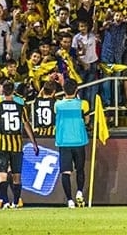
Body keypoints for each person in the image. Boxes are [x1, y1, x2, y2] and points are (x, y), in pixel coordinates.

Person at [0, 80, 39, 209]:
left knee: (2, 174)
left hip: (2, 143)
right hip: (17, 144)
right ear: (13, 91)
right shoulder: (20, 106)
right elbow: (26, 124)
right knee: (17, 175)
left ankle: (5, 202)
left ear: (3, 91)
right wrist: (34, 142)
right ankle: (16, 202)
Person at [54, 78, 90, 208]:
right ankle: (79, 192)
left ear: (63, 90)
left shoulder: (57, 105)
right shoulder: (83, 104)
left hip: (64, 141)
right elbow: (87, 120)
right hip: (79, 140)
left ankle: (69, 200)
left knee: (66, 172)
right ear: (76, 90)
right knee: (80, 169)